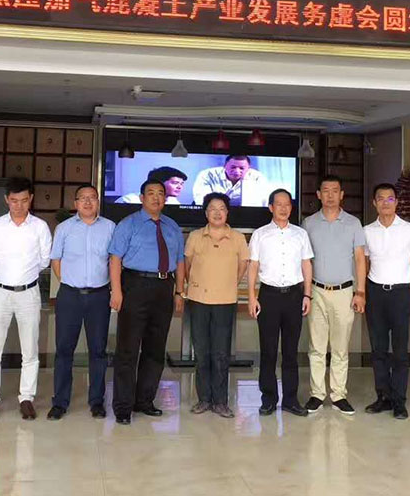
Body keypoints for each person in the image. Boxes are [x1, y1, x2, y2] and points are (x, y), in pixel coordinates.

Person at [109, 179, 186, 425]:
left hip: (164, 287)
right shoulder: (128, 224)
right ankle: (123, 407)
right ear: (142, 198)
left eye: (160, 193)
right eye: (150, 193)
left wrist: (179, 292)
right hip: (135, 286)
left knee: (155, 348)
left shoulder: (172, 226)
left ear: (165, 198)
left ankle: (144, 401)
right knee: (128, 349)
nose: (156, 197)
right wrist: (116, 291)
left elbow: (180, 261)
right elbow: (115, 259)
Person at [0, 177, 52, 422]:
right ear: (6, 200)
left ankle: (26, 398)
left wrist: (25, 276)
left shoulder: (39, 226)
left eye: (23, 200)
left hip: (28, 293)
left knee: (30, 348)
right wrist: (1, 276)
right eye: (14, 200)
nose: (19, 205)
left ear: (31, 198)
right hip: (0, 292)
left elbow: (45, 259)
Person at [48, 184, 116, 420]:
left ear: (98, 202)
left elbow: (114, 260)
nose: (88, 202)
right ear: (75, 203)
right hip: (70, 296)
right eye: (83, 198)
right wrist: (68, 282)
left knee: (98, 350)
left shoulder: (110, 227)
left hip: (99, 296)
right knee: (64, 350)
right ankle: (60, 402)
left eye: (92, 198)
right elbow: (56, 260)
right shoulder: (64, 228)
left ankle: (97, 401)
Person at [181, 192, 249, 418]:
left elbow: (242, 267)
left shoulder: (237, 238)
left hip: (225, 301)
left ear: (227, 212)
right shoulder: (195, 236)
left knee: (221, 354)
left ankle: (221, 402)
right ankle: (204, 399)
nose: (217, 213)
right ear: (205, 213)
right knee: (202, 353)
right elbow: (187, 266)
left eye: (221, 209)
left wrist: (226, 285)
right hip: (198, 300)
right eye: (212, 208)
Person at [302, 175, 366, 415]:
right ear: (318, 194)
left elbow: (359, 259)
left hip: (344, 292)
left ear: (342, 195)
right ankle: (317, 394)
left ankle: (339, 395)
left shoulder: (353, 223)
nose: (330, 195)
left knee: (340, 347)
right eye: (325, 191)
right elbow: (305, 260)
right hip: (317, 291)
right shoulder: (309, 223)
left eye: (335, 190)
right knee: (316, 347)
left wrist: (360, 291)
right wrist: (306, 293)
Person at [247, 189, 313, 417]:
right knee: (268, 351)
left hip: (294, 296)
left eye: (287, 204)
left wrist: (307, 295)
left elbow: (306, 265)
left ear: (291, 208)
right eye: (279, 204)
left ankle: (291, 400)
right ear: (271, 207)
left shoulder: (300, 234)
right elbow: (253, 266)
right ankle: (268, 399)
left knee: (291, 352)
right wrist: (252, 297)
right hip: (269, 296)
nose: (283, 208)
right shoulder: (260, 234)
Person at [362, 183, 410, 420]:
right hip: (375, 293)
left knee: (400, 350)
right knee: (378, 349)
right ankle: (383, 397)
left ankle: (399, 400)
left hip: (400, 293)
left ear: (396, 202)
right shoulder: (367, 231)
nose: (386, 203)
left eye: (390, 199)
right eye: (381, 199)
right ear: (374, 203)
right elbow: (365, 264)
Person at [192, 155, 270, 206]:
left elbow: (264, 201)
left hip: (243, 214)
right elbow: (201, 199)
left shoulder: (257, 177)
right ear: (225, 166)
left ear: (248, 168)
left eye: (242, 168)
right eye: (233, 167)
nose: (237, 171)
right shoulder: (208, 174)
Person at [116, 166, 187, 204]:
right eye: (175, 183)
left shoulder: (173, 202)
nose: (180, 187)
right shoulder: (129, 200)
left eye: (181, 184)